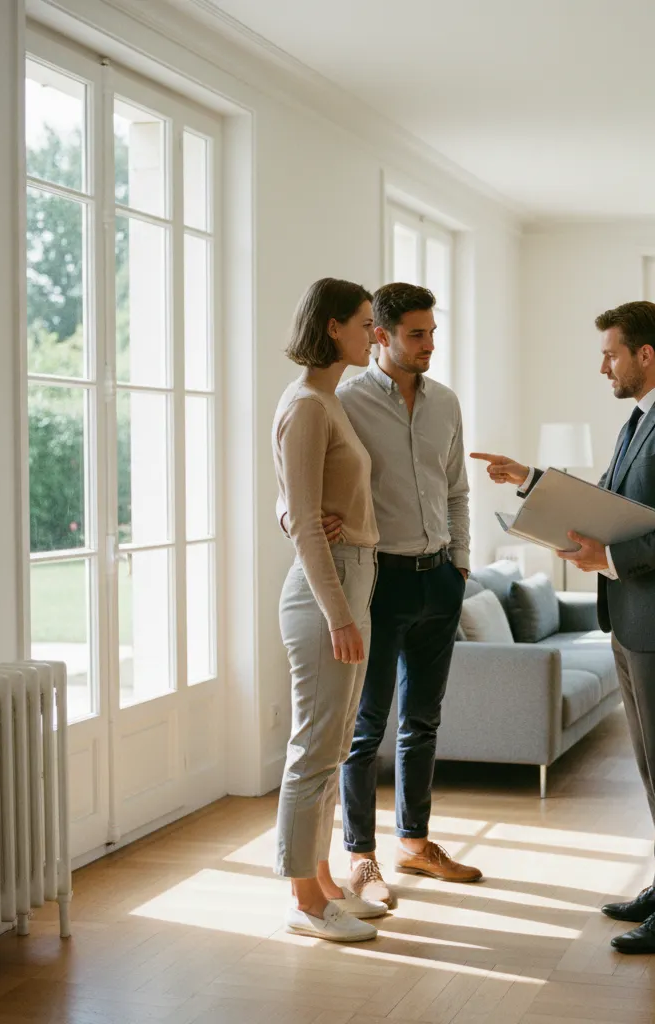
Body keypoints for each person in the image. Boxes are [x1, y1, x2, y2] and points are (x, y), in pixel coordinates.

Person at [472, 300, 655, 955]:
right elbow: (608, 503)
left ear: (646, 355)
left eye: (610, 352)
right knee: (650, 765)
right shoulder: (641, 420)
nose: (602, 365)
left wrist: (607, 558)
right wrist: (528, 479)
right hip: (634, 617)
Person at [281, 282, 480, 906]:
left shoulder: (445, 403)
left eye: (432, 332)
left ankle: (415, 843)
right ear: (380, 336)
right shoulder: (338, 398)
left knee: (423, 719)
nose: (428, 345)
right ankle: (360, 857)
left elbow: (457, 491)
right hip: (378, 578)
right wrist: (292, 520)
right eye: (415, 334)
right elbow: (296, 486)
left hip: (438, 576)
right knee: (362, 727)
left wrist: (461, 565)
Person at [272, 277, 389, 943]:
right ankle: (303, 901)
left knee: (334, 744)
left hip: (353, 578)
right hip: (329, 591)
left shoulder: (327, 399)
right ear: (333, 327)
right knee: (314, 748)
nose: (375, 334)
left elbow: (295, 502)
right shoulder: (309, 404)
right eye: (367, 323)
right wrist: (339, 614)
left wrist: (296, 513)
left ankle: (322, 884)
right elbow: (304, 521)